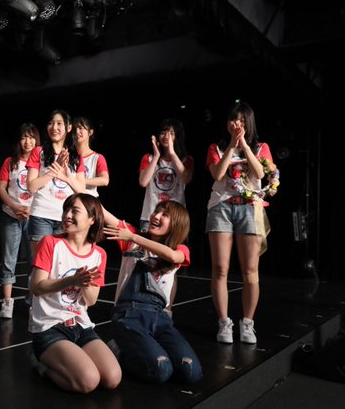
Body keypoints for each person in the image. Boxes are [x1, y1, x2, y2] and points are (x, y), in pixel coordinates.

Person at [29, 193, 121, 393]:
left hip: (80, 325)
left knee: (113, 378)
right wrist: (72, 280)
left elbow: (91, 301)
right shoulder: (50, 243)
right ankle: (41, 365)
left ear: (91, 219)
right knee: (88, 381)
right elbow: (36, 287)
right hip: (50, 327)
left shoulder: (99, 254)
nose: (67, 215)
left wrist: (85, 282)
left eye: (74, 211)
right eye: (66, 210)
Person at [103, 201, 203, 384]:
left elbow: (172, 257)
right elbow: (102, 212)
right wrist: (81, 188)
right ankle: (118, 349)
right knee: (161, 370)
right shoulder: (131, 240)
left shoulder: (179, 249)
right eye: (156, 211)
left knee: (191, 372)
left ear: (177, 224)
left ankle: (141, 349)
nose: (156, 216)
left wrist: (133, 237)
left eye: (164, 215)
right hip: (129, 316)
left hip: (160, 318)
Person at [206, 101, 274, 344]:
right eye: (233, 120)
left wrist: (243, 145)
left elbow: (260, 173)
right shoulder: (216, 147)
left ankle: (247, 323)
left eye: (242, 120)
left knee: (250, 270)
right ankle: (224, 323)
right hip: (221, 207)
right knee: (220, 268)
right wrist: (232, 146)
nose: (236, 124)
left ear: (248, 123)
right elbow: (218, 174)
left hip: (250, 207)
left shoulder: (261, 147)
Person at [137, 118, 193, 314]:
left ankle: (167, 310)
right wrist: (156, 156)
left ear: (177, 136)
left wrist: (172, 153)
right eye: (163, 132)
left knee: (170, 267)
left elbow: (186, 178)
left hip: (174, 221)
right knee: (145, 264)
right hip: (150, 217)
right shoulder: (149, 158)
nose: (166, 136)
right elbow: (143, 182)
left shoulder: (185, 159)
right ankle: (144, 304)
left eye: (171, 133)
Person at [26, 110, 85, 256]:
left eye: (59, 123)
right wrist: (53, 170)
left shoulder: (76, 157)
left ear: (69, 127)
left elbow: (82, 191)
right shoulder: (38, 151)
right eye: (51, 123)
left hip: (67, 217)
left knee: (61, 263)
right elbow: (31, 186)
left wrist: (67, 178)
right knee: (40, 263)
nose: (54, 127)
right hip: (41, 215)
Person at [0, 122, 40, 318]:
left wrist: (31, 209)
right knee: (8, 259)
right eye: (23, 137)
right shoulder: (10, 162)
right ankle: (7, 302)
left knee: (35, 261)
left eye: (31, 137)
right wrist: (14, 207)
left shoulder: (41, 163)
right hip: (10, 215)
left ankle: (33, 303)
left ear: (36, 140)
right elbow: (1, 188)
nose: (27, 141)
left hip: (33, 217)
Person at [73, 116, 109, 198]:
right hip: (70, 199)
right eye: (75, 129)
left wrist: (79, 181)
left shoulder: (97, 158)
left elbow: (105, 180)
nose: (77, 131)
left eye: (80, 128)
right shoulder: (67, 155)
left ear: (90, 132)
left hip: (88, 199)